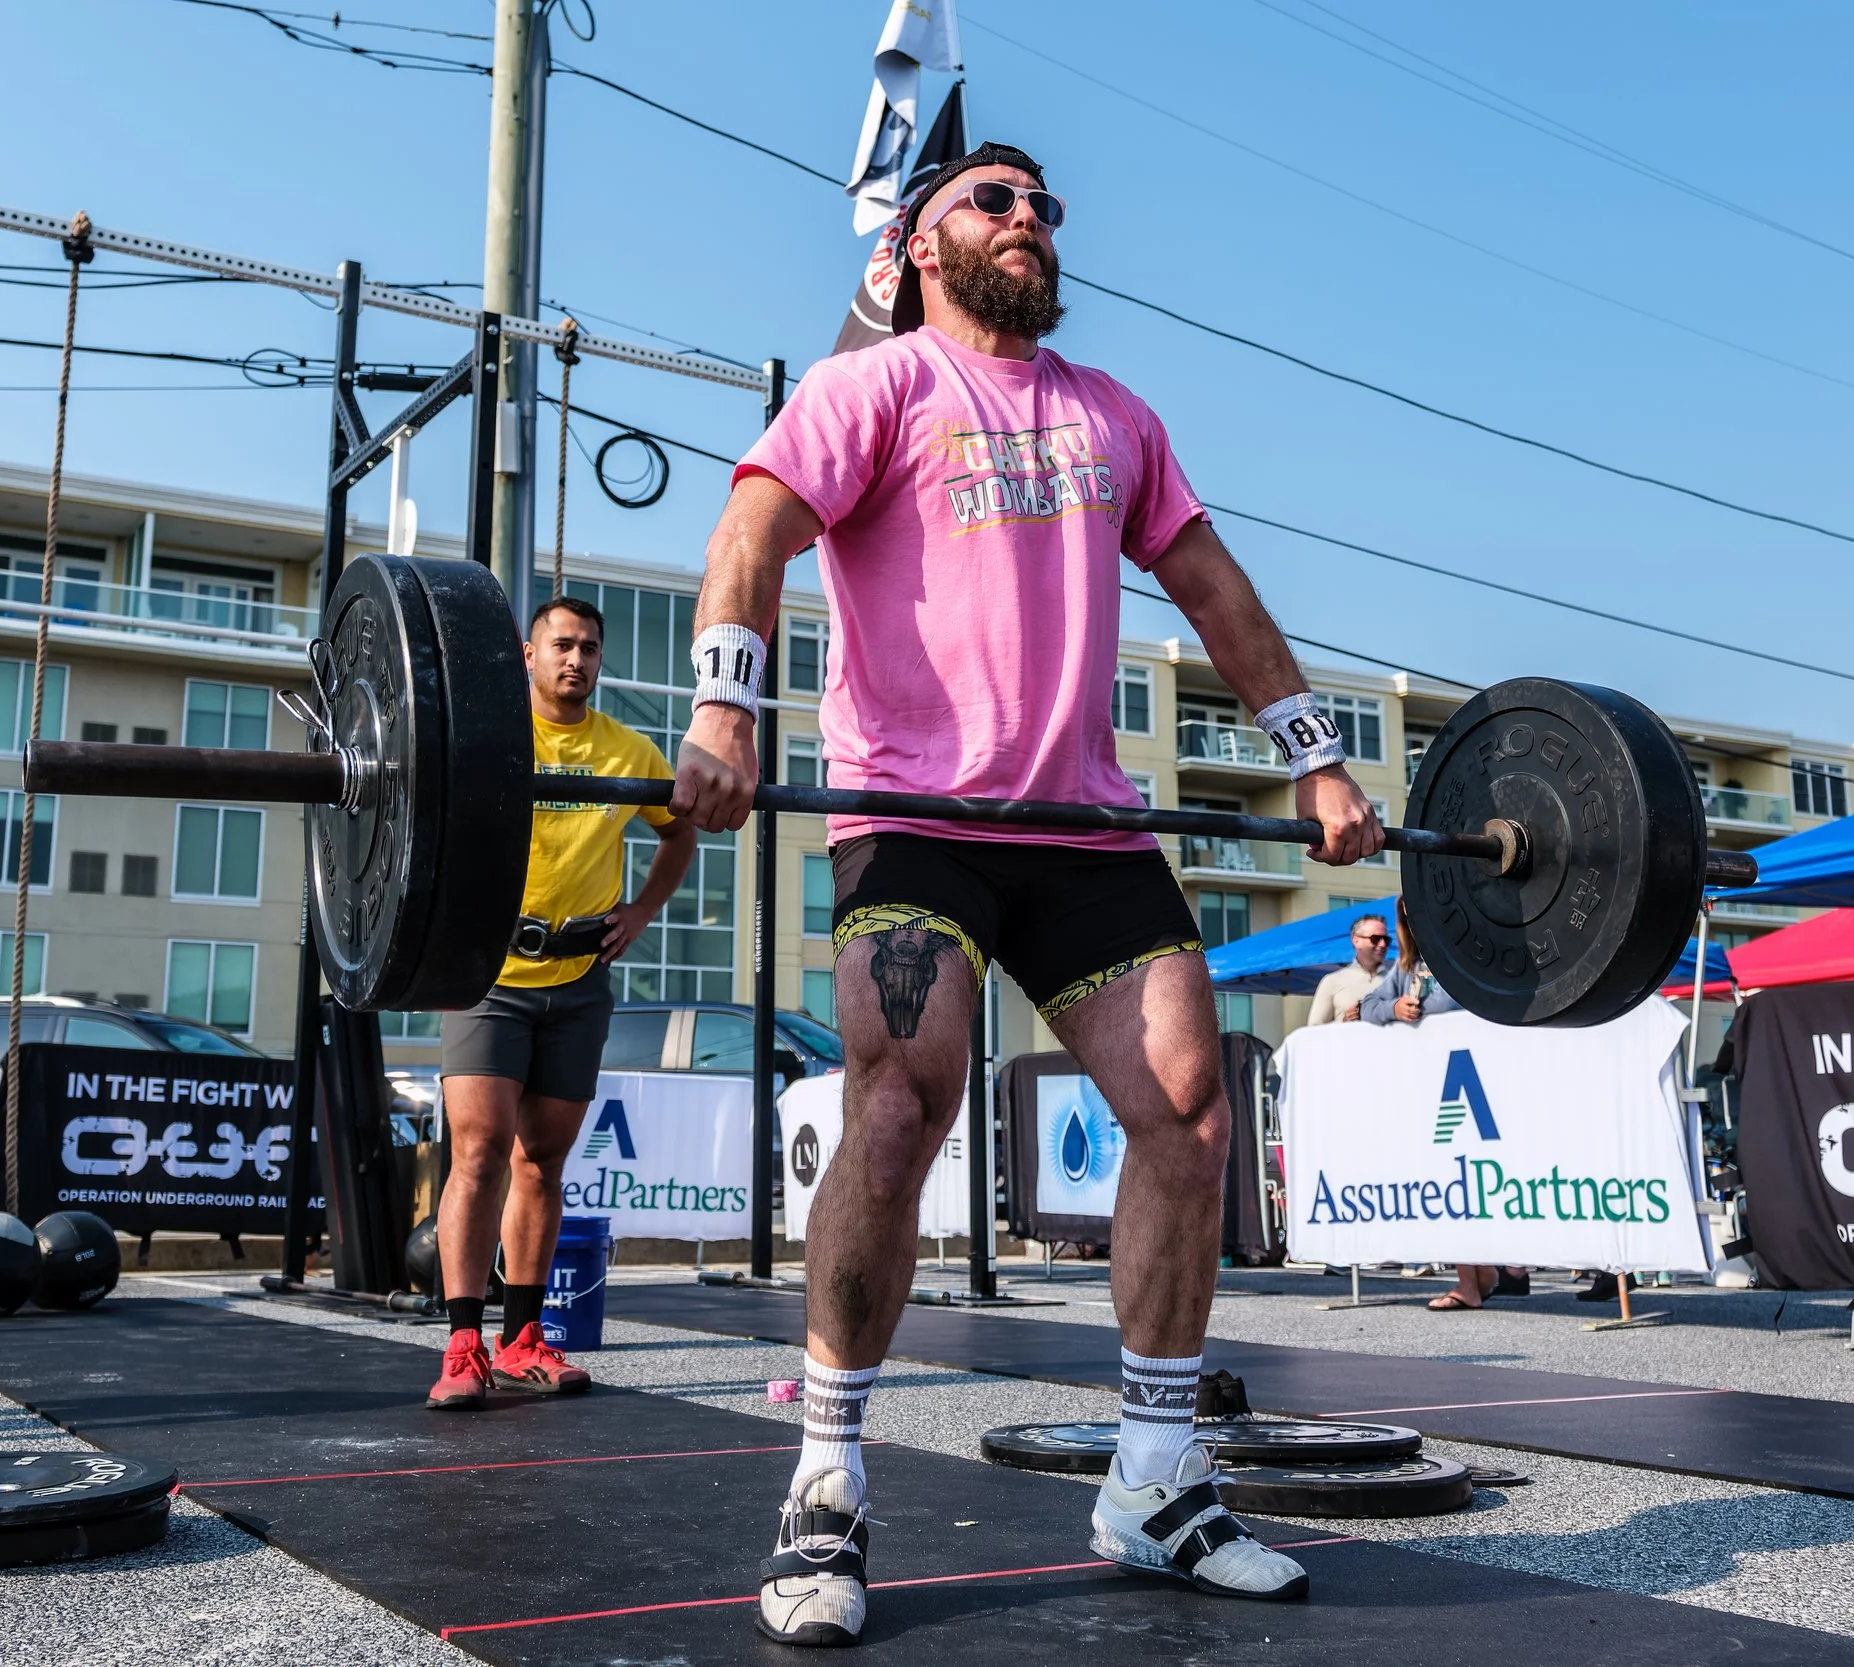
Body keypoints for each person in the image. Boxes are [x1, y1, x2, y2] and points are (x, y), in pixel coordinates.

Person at [668, 141, 1382, 1647]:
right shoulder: (875, 387)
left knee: (1191, 1108)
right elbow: (751, 531)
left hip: (1080, 823)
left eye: (1044, 206)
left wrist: (1312, 757)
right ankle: (829, 1474)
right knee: (900, 1098)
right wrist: (728, 704)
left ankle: (1156, 1476)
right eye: (994, 202)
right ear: (922, 244)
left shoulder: (1115, 416)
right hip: (914, 810)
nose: (1030, 222)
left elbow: (1214, 590)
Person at [425, 595, 698, 1410]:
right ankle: (462, 1342)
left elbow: (678, 828)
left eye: (588, 648)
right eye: (561, 645)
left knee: (542, 1160)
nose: (575, 659)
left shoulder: (625, 749)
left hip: (579, 981)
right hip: (491, 975)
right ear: (527, 652)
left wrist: (644, 908)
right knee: (478, 1150)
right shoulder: (493, 741)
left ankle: (522, 1339)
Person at [1358, 917, 1527, 1311]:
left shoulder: (1464, 960)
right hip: (1435, 1088)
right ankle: (1474, 1275)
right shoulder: (1407, 968)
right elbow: (1368, 1005)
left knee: (1476, 1175)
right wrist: (1394, 1008)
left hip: (1474, 1083)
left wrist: (1415, 1009)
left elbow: (1459, 1002)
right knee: (1454, 1178)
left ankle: (1488, 1273)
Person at [1305, 913, 1391, 1025]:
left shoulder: (1396, 981)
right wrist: (1344, 1022)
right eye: (1375, 939)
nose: (1383, 944)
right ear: (1356, 941)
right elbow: (1313, 1031)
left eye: (1386, 939)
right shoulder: (1332, 981)